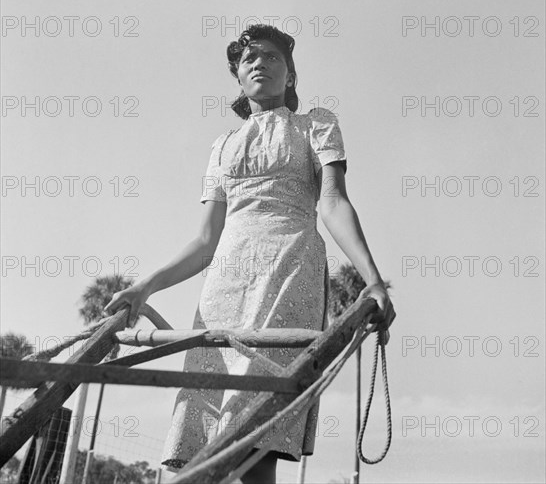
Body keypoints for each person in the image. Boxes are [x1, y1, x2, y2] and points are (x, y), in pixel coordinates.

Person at [104, 24, 396, 484]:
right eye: (249, 60)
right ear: (238, 79)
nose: (260, 63)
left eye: (272, 57)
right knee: (202, 427)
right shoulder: (221, 146)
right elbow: (205, 242)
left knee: (257, 432)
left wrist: (374, 283)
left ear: (291, 74)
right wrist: (144, 287)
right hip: (224, 284)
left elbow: (334, 203)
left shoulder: (314, 123)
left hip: (289, 268)